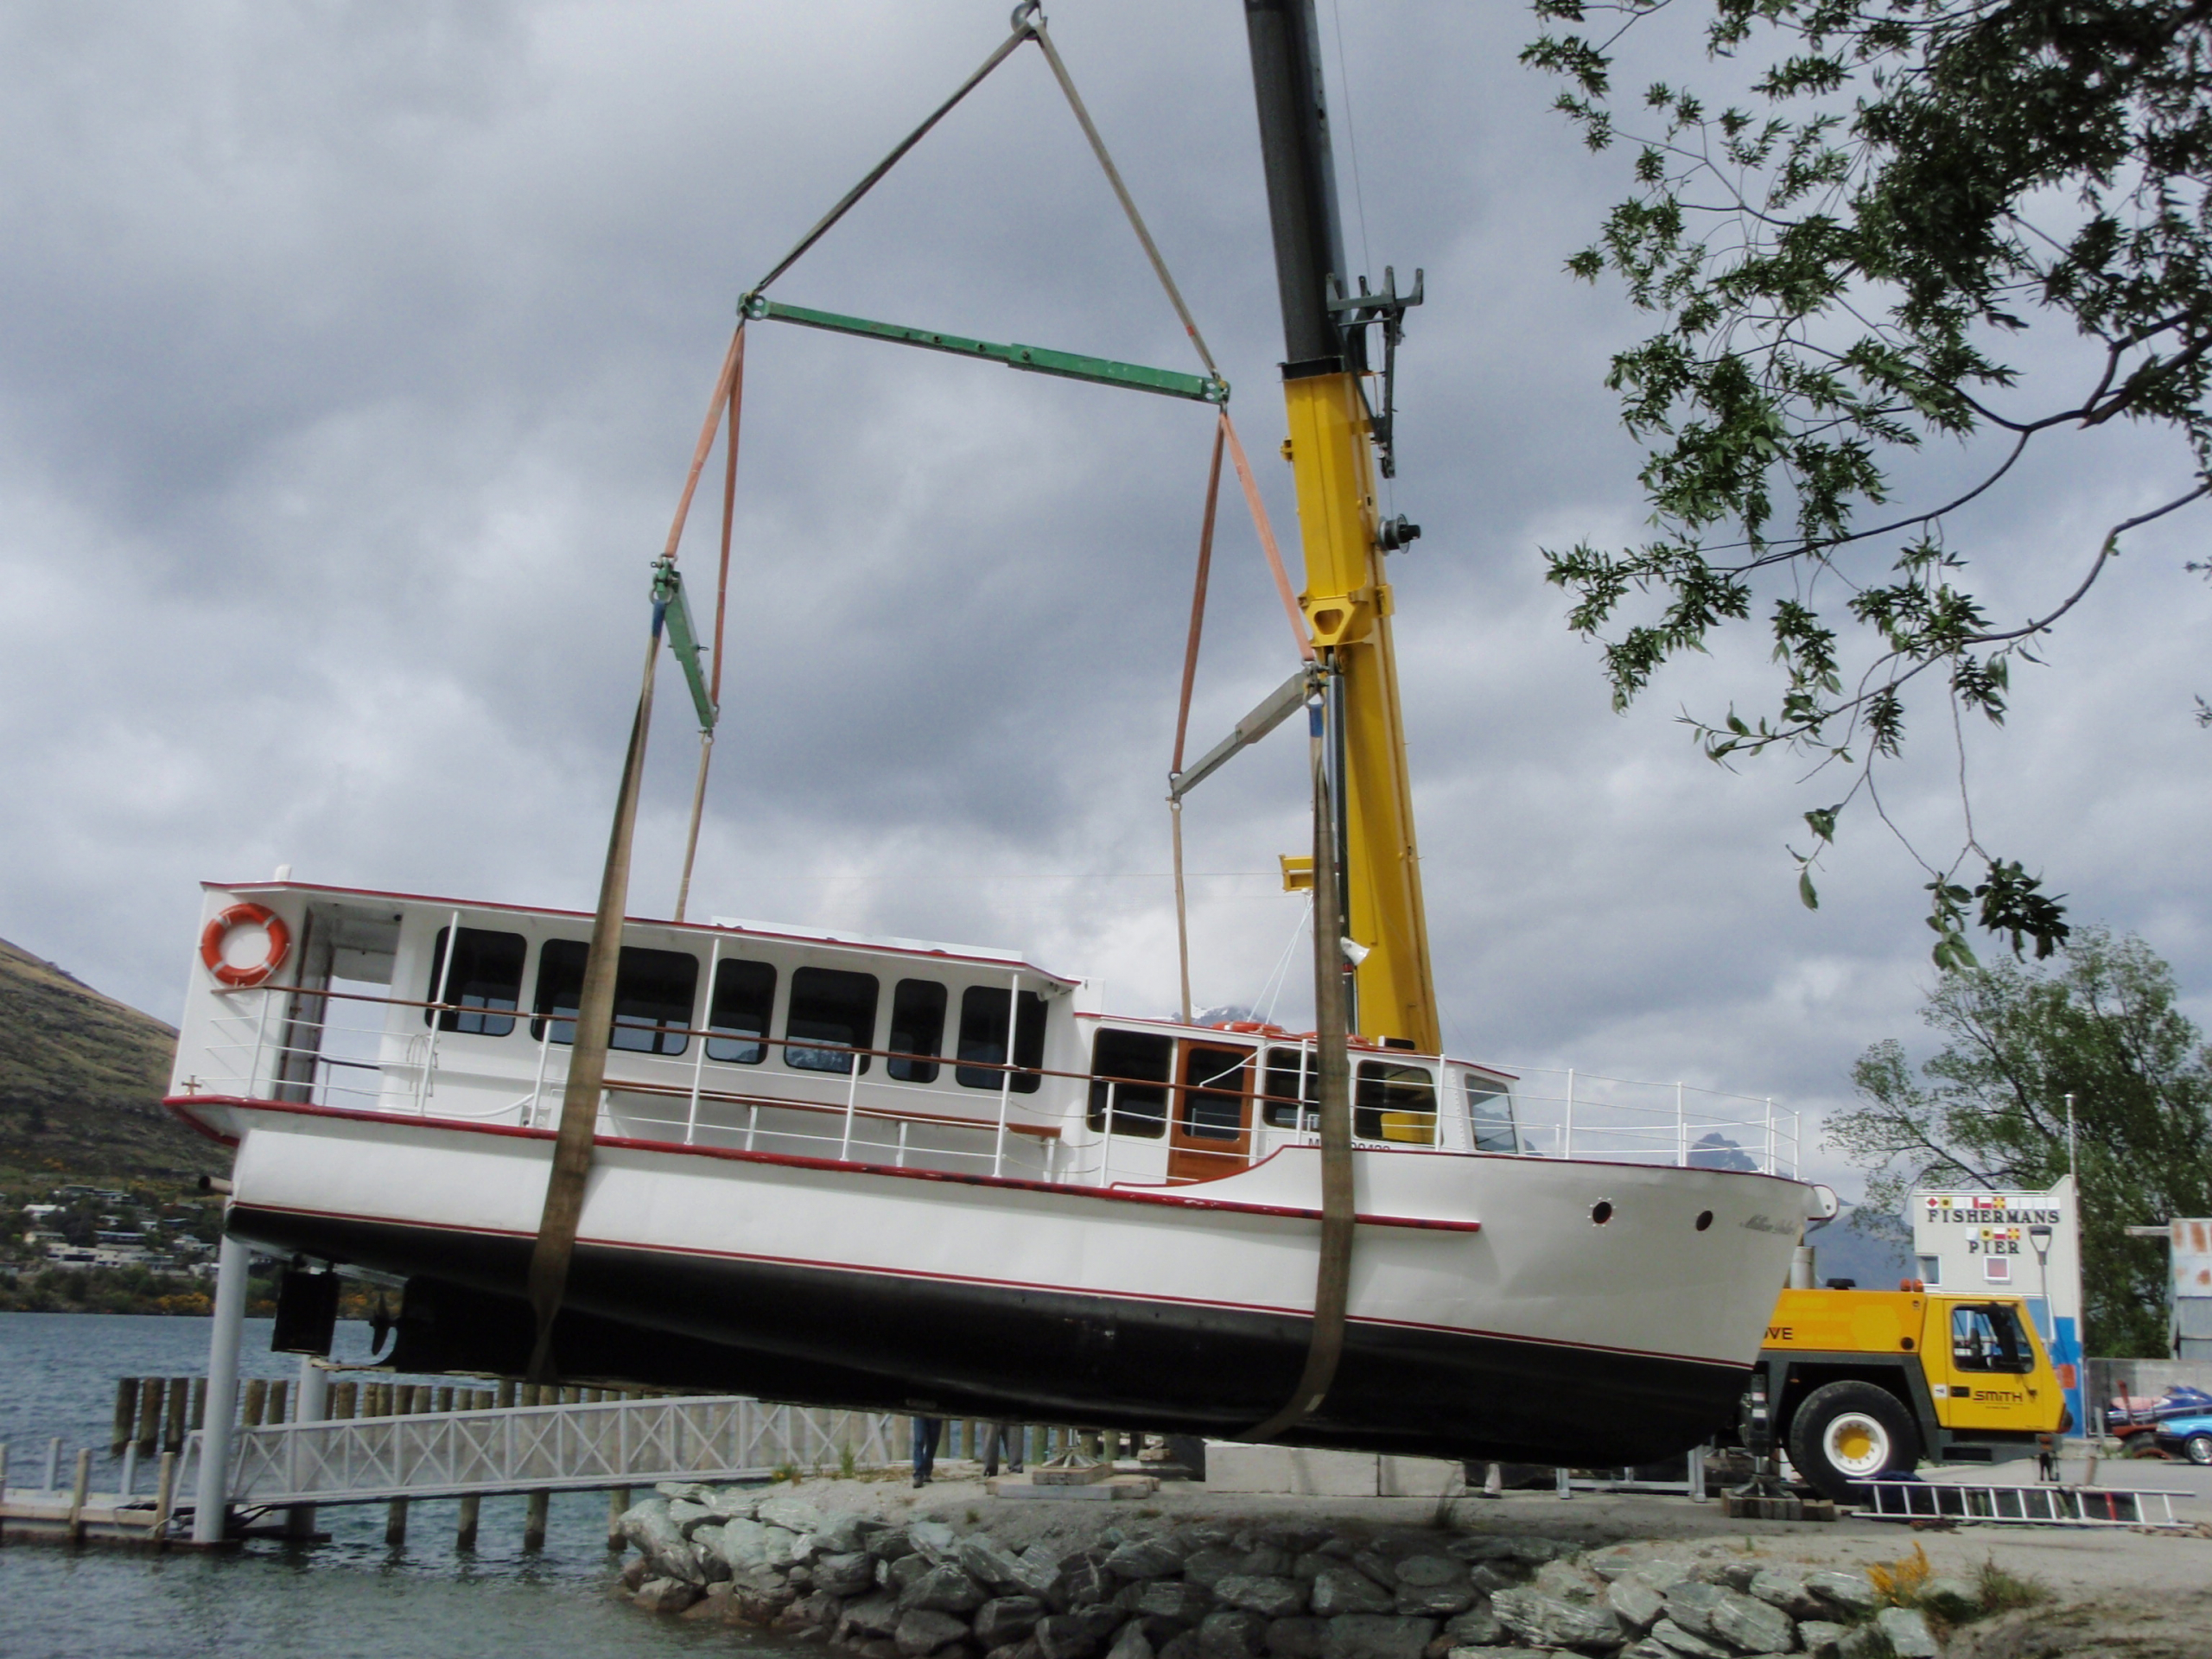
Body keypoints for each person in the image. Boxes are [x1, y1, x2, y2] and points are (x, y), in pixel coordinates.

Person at [911, 1415, 943, 1487]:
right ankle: (918, 1474)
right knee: (919, 1441)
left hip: (936, 1412)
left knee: (933, 1442)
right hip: (919, 1411)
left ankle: (927, 1471)